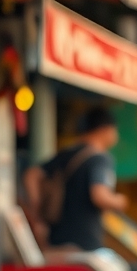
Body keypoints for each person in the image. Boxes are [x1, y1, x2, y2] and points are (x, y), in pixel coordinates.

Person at [23, 106, 128, 255]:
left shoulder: (67, 153)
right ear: (105, 129)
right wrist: (120, 201)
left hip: (55, 240)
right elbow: (99, 196)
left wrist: (36, 205)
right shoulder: (101, 159)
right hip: (85, 242)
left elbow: (31, 175)